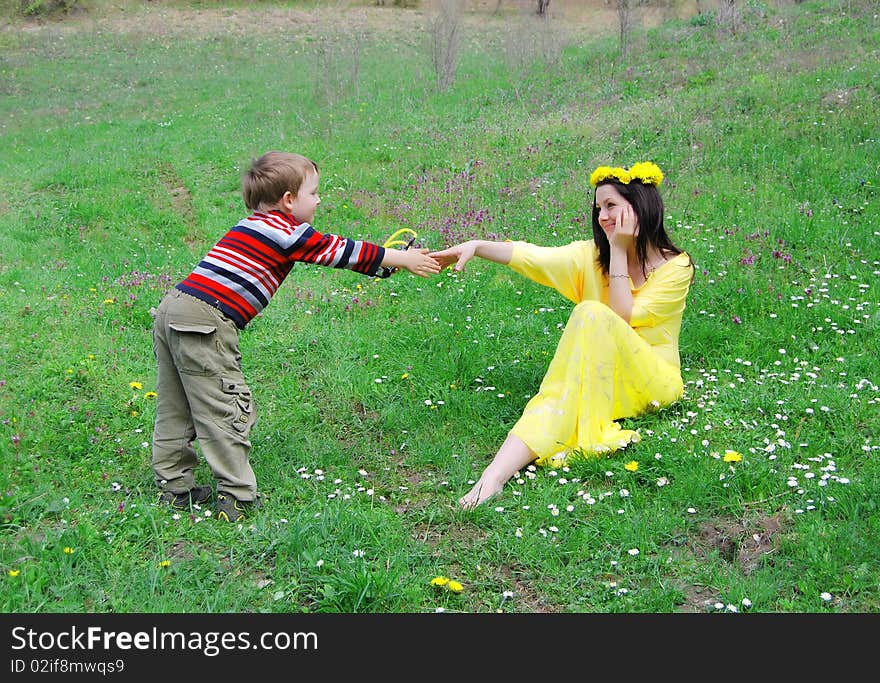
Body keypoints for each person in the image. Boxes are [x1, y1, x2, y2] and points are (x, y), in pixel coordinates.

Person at [151, 151, 441, 522]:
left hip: (174, 309)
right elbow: (338, 250)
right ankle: (236, 498)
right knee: (222, 405)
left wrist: (387, 265)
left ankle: (175, 487)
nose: (319, 200)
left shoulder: (254, 225)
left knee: (176, 404)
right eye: (315, 193)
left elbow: (331, 253)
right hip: (207, 319)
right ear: (289, 200)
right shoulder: (285, 230)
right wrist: (402, 260)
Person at [429, 161, 695, 508]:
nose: (602, 216)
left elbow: (621, 316)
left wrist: (618, 250)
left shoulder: (676, 268)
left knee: (591, 313)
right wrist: (478, 245)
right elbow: (533, 256)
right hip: (603, 377)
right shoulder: (591, 255)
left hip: (655, 382)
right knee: (561, 393)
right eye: (598, 207)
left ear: (640, 206)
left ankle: (510, 466)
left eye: (611, 205)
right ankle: (492, 477)